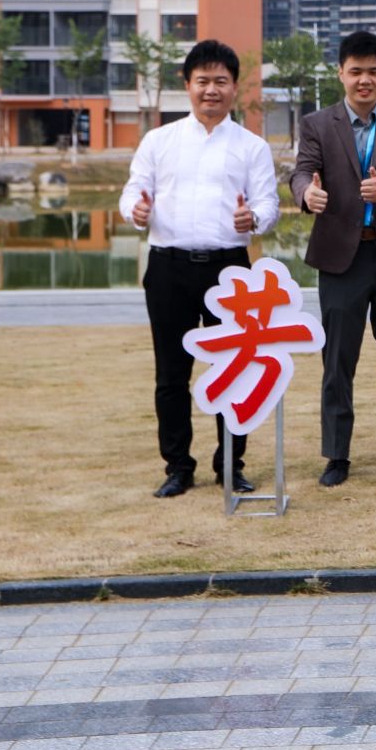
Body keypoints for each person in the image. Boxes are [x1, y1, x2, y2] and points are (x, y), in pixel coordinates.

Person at [118, 39, 279, 498]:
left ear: (234, 87)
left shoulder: (251, 146)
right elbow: (132, 192)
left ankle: (231, 463)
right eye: (203, 81)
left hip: (229, 270)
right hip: (168, 267)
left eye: (220, 81)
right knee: (171, 372)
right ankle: (177, 466)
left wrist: (254, 219)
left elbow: (268, 203)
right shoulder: (159, 140)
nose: (212, 90)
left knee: (234, 368)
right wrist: (136, 212)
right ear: (187, 84)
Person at [289, 30, 376, 488]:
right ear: (341, 74)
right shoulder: (317, 123)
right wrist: (306, 194)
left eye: (373, 71)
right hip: (340, 257)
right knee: (338, 360)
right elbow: (301, 173)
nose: (364, 79)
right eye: (356, 71)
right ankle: (337, 454)